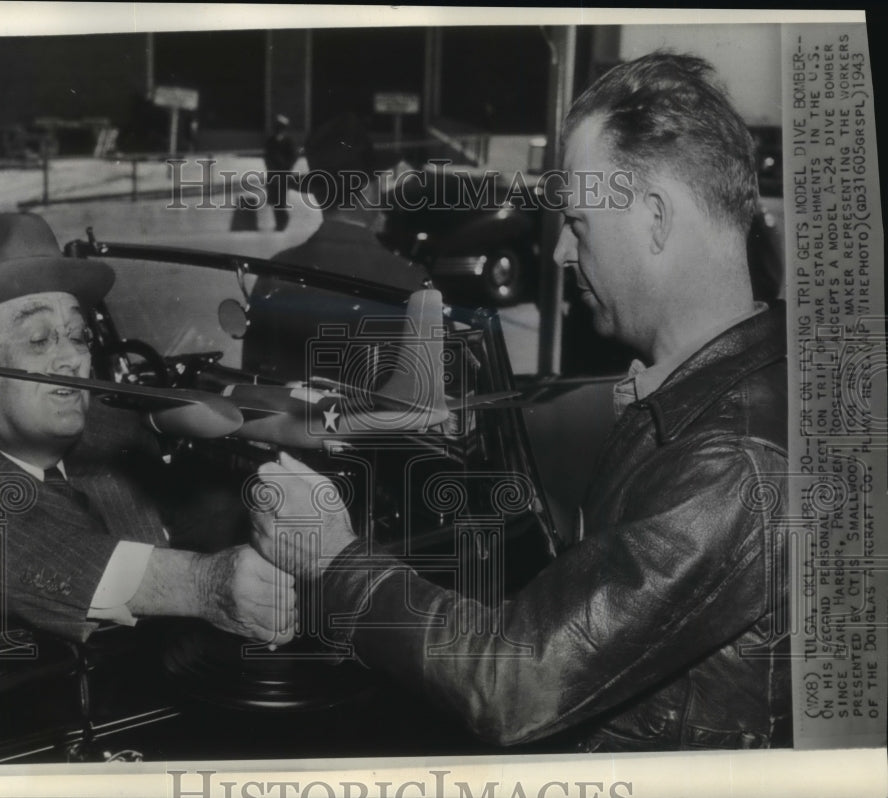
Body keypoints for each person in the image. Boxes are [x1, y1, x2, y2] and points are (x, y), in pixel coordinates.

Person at [251, 53, 789, 751]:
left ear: (656, 219)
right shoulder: (726, 388)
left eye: (579, 222)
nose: (563, 251)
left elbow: (515, 684)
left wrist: (333, 560)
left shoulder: (730, 464)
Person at [0, 212, 295, 645]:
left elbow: (207, 514)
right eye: (39, 339)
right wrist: (200, 583)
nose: (72, 357)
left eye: (78, 335)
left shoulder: (112, 432)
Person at [244, 112, 428, 383]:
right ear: (367, 189)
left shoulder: (272, 276)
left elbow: (255, 385)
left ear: (318, 195)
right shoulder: (409, 280)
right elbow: (438, 396)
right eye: (377, 179)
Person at [263, 113, 298, 232]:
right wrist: (271, 168)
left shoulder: (288, 141)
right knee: (274, 199)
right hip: (273, 174)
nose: (278, 130)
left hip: (283, 175)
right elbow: (267, 157)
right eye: (277, 127)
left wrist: (286, 167)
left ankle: (282, 222)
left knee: (281, 200)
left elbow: (293, 156)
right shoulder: (270, 141)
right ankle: (280, 221)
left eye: (281, 127)